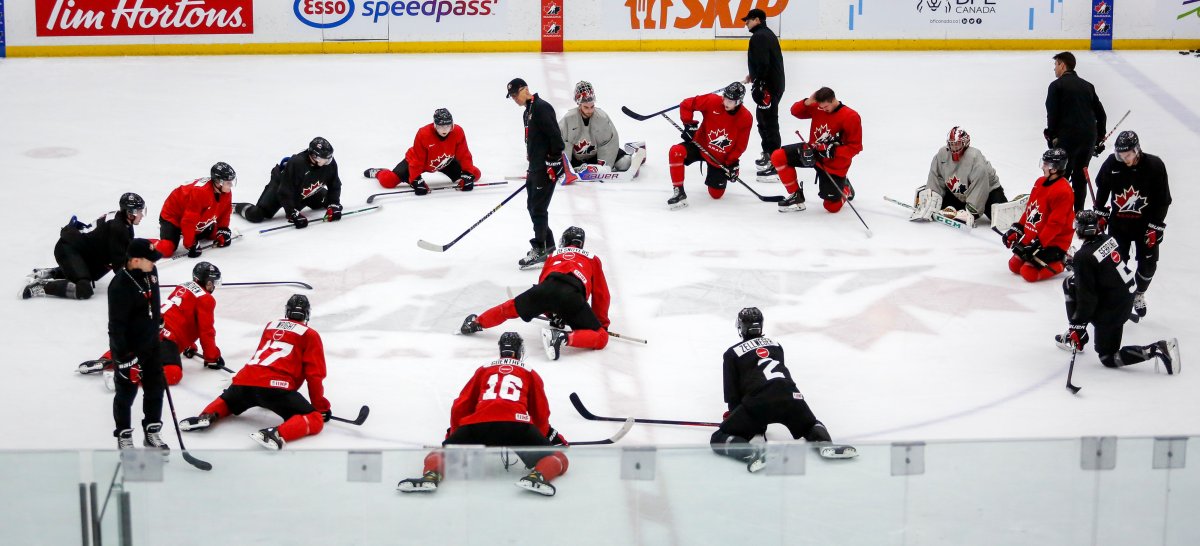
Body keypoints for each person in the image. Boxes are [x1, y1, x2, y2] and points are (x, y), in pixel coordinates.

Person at [397, 332, 569, 496]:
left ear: (501, 350)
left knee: (441, 453)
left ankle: (431, 476)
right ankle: (537, 477)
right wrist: (546, 440)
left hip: (478, 425)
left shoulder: (484, 369)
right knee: (559, 458)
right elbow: (541, 412)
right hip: (516, 426)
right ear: (519, 351)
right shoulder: (530, 372)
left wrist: (455, 433)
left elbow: (461, 405)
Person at [179, 295, 332, 451]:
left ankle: (207, 415)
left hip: (244, 380)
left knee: (229, 401)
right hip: (275, 388)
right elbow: (314, 375)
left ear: (287, 311)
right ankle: (276, 434)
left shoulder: (271, 325)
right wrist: (320, 407)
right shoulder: (310, 334)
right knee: (315, 420)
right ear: (307, 314)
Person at [710, 308, 852, 473]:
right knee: (811, 424)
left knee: (718, 438)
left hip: (759, 402)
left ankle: (752, 453)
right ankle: (825, 445)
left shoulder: (732, 353)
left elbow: (733, 394)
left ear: (742, 327)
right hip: (791, 396)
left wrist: (735, 418)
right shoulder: (776, 346)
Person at [1056, 210, 1180, 374]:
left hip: (1111, 311)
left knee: (1108, 357)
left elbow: (1088, 298)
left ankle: (1156, 349)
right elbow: (1103, 267)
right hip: (1123, 299)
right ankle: (1078, 333)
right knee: (1070, 282)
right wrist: (1080, 268)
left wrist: (1078, 325)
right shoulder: (1108, 239)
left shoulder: (1083, 257)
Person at [460, 227, 610, 361]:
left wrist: (552, 314)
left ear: (564, 241)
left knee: (509, 308)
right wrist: (601, 324)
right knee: (601, 338)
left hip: (545, 290)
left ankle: (475, 323)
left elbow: (543, 283)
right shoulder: (592, 258)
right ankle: (562, 338)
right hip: (571, 296)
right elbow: (601, 295)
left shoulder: (553, 255)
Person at [79, 261, 225, 387]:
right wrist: (212, 358)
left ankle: (106, 359)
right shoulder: (206, 299)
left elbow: (179, 314)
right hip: (168, 338)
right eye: (213, 282)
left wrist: (189, 345)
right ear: (208, 282)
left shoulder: (182, 286)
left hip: (150, 325)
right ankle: (131, 376)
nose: (214, 286)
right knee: (173, 373)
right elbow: (206, 331)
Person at [1094, 131, 1171, 319]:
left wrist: (1156, 227)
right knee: (1116, 264)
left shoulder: (1155, 166)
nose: (1124, 159)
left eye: (1127, 155)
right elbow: (1102, 189)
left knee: (1148, 266)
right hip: (1119, 225)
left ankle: (1138, 294)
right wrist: (1100, 214)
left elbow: (1163, 200)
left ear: (1136, 150)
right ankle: (1121, 296)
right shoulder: (1112, 164)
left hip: (1145, 227)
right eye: (1121, 155)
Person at [23, 193, 145, 300]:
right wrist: (138, 281)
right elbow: (118, 265)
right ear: (130, 213)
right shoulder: (118, 228)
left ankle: (53, 272)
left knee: (96, 272)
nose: (142, 215)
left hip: (82, 252)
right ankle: (42, 285)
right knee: (84, 289)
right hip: (68, 248)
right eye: (139, 212)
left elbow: (124, 252)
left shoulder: (123, 222)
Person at [109, 239, 168, 451]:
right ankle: (123, 434)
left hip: (151, 344)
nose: (153, 263)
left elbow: (153, 303)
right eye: (149, 260)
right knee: (126, 394)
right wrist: (124, 360)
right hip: (130, 349)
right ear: (135, 260)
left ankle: (152, 431)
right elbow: (116, 327)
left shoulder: (152, 273)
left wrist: (157, 322)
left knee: (155, 389)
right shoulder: (119, 286)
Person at [771, 87, 863, 213]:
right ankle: (795, 195)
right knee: (778, 156)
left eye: (825, 107)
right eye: (820, 106)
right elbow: (795, 111)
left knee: (831, 207)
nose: (823, 110)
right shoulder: (818, 107)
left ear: (833, 100)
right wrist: (808, 101)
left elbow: (856, 147)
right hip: (812, 152)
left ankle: (845, 188)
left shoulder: (850, 116)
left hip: (834, 163)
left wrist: (834, 151)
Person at [666, 82, 754, 210]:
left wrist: (731, 163)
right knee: (676, 151)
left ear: (739, 101)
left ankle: (717, 179)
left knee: (716, 195)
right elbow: (686, 104)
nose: (725, 102)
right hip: (699, 145)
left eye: (730, 100)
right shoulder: (712, 100)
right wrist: (689, 125)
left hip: (719, 159)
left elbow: (741, 146)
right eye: (725, 97)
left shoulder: (746, 118)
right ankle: (679, 192)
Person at [507, 78, 565, 268]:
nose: (515, 99)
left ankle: (540, 248)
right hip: (536, 167)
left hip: (546, 168)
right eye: (512, 96)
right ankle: (547, 245)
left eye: (516, 94)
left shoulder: (541, 108)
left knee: (538, 209)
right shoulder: (528, 111)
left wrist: (552, 162)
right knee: (533, 207)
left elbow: (557, 139)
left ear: (525, 90)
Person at [363, 108, 482, 194]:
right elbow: (417, 159)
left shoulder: (458, 131)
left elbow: (464, 154)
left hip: (445, 161)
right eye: (440, 126)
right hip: (420, 163)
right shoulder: (423, 134)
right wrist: (416, 180)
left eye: (448, 126)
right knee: (388, 181)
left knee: (475, 174)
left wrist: (467, 175)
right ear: (435, 125)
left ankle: (442, 170)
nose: (444, 130)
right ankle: (379, 172)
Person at [234, 137, 343, 229]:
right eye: (325, 159)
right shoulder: (297, 163)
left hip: (306, 190)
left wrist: (334, 203)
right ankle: (237, 207)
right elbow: (284, 191)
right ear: (314, 157)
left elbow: (335, 184)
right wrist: (292, 213)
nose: (328, 161)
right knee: (257, 215)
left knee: (327, 201)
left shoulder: (329, 163)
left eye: (329, 158)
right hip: (280, 188)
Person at [1045, 51, 1107, 212]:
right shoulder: (1087, 85)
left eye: (1055, 65)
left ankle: (1061, 212)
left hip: (1067, 138)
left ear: (1062, 65)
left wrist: (1051, 136)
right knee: (1080, 177)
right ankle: (1078, 212)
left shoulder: (1056, 86)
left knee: (1061, 176)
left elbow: (1052, 113)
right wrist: (1099, 138)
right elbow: (1101, 114)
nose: (1054, 69)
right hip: (1088, 138)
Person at [1002, 149, 1075, 282]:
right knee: (1014, 265)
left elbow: (1055, 224)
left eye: (1046, 164)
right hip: (1036, 236)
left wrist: (1038, 244)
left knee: (1028, 272)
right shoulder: (1039, 182)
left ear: (1055, 168)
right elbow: (1030, 210)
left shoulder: (1063, 191)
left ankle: (1063, 260)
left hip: (1054, 240)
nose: (1043, 166)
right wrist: (1017, 228)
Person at [913, 126, 1007, 226]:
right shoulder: (942, 155)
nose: (954, 148)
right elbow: (936, 176)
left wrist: (971, 212)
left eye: (957, 144)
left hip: (989, 191)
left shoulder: (974, 157)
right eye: (952, 144)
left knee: (1001, 218)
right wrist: (930, 200)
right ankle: (957, 208)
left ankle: (974, 208)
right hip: (961, 193)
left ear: (965, 143)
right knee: (939, 206)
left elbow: (980, 185)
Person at [559, 81, 646, 176]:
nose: (590, 111)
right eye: (586, 107)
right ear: (579, 105)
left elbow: (609, 143)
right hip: (576, 157)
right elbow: (562, 144)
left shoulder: (601, 118)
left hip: (597, 154)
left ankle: (634, 148)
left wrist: (603, 167)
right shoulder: (568, 119)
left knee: (624, 163)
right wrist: (565, 168)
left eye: (592, 106)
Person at [154, 162, 236, 258]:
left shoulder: (225, 191)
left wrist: (223, 229)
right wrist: (190, 243)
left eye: (231, 182)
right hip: (172, 217)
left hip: (191, 216)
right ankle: (140, 244)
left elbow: (225, 211)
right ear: (218, 182)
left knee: (214, 234)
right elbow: (188, 221)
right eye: (228, 182)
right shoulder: (201, 192)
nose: (230, 185)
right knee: (167, 249)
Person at [741, 8, 785, 180]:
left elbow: (764, 63)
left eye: (748, 20)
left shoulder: (759, 37)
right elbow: (765, 62)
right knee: (763, 120)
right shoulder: (766, 34)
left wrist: (759, 83)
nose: (746, 24)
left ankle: (776, 162)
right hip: (772, 85)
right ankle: (769, 153)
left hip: (768, 87)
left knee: (768, 123)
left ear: (757, 20)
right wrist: (754, 76)